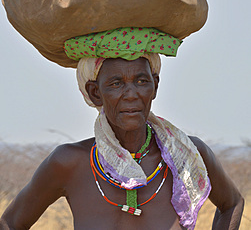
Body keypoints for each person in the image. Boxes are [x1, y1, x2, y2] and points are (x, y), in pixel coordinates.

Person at [0, 28, 244, 229]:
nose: (131, 95)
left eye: (141, 81)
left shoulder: (187, 157)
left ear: (155, 86)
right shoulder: (69, 163)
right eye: (116, 83)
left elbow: (231, 204)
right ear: (95, 93)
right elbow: (11, 223)